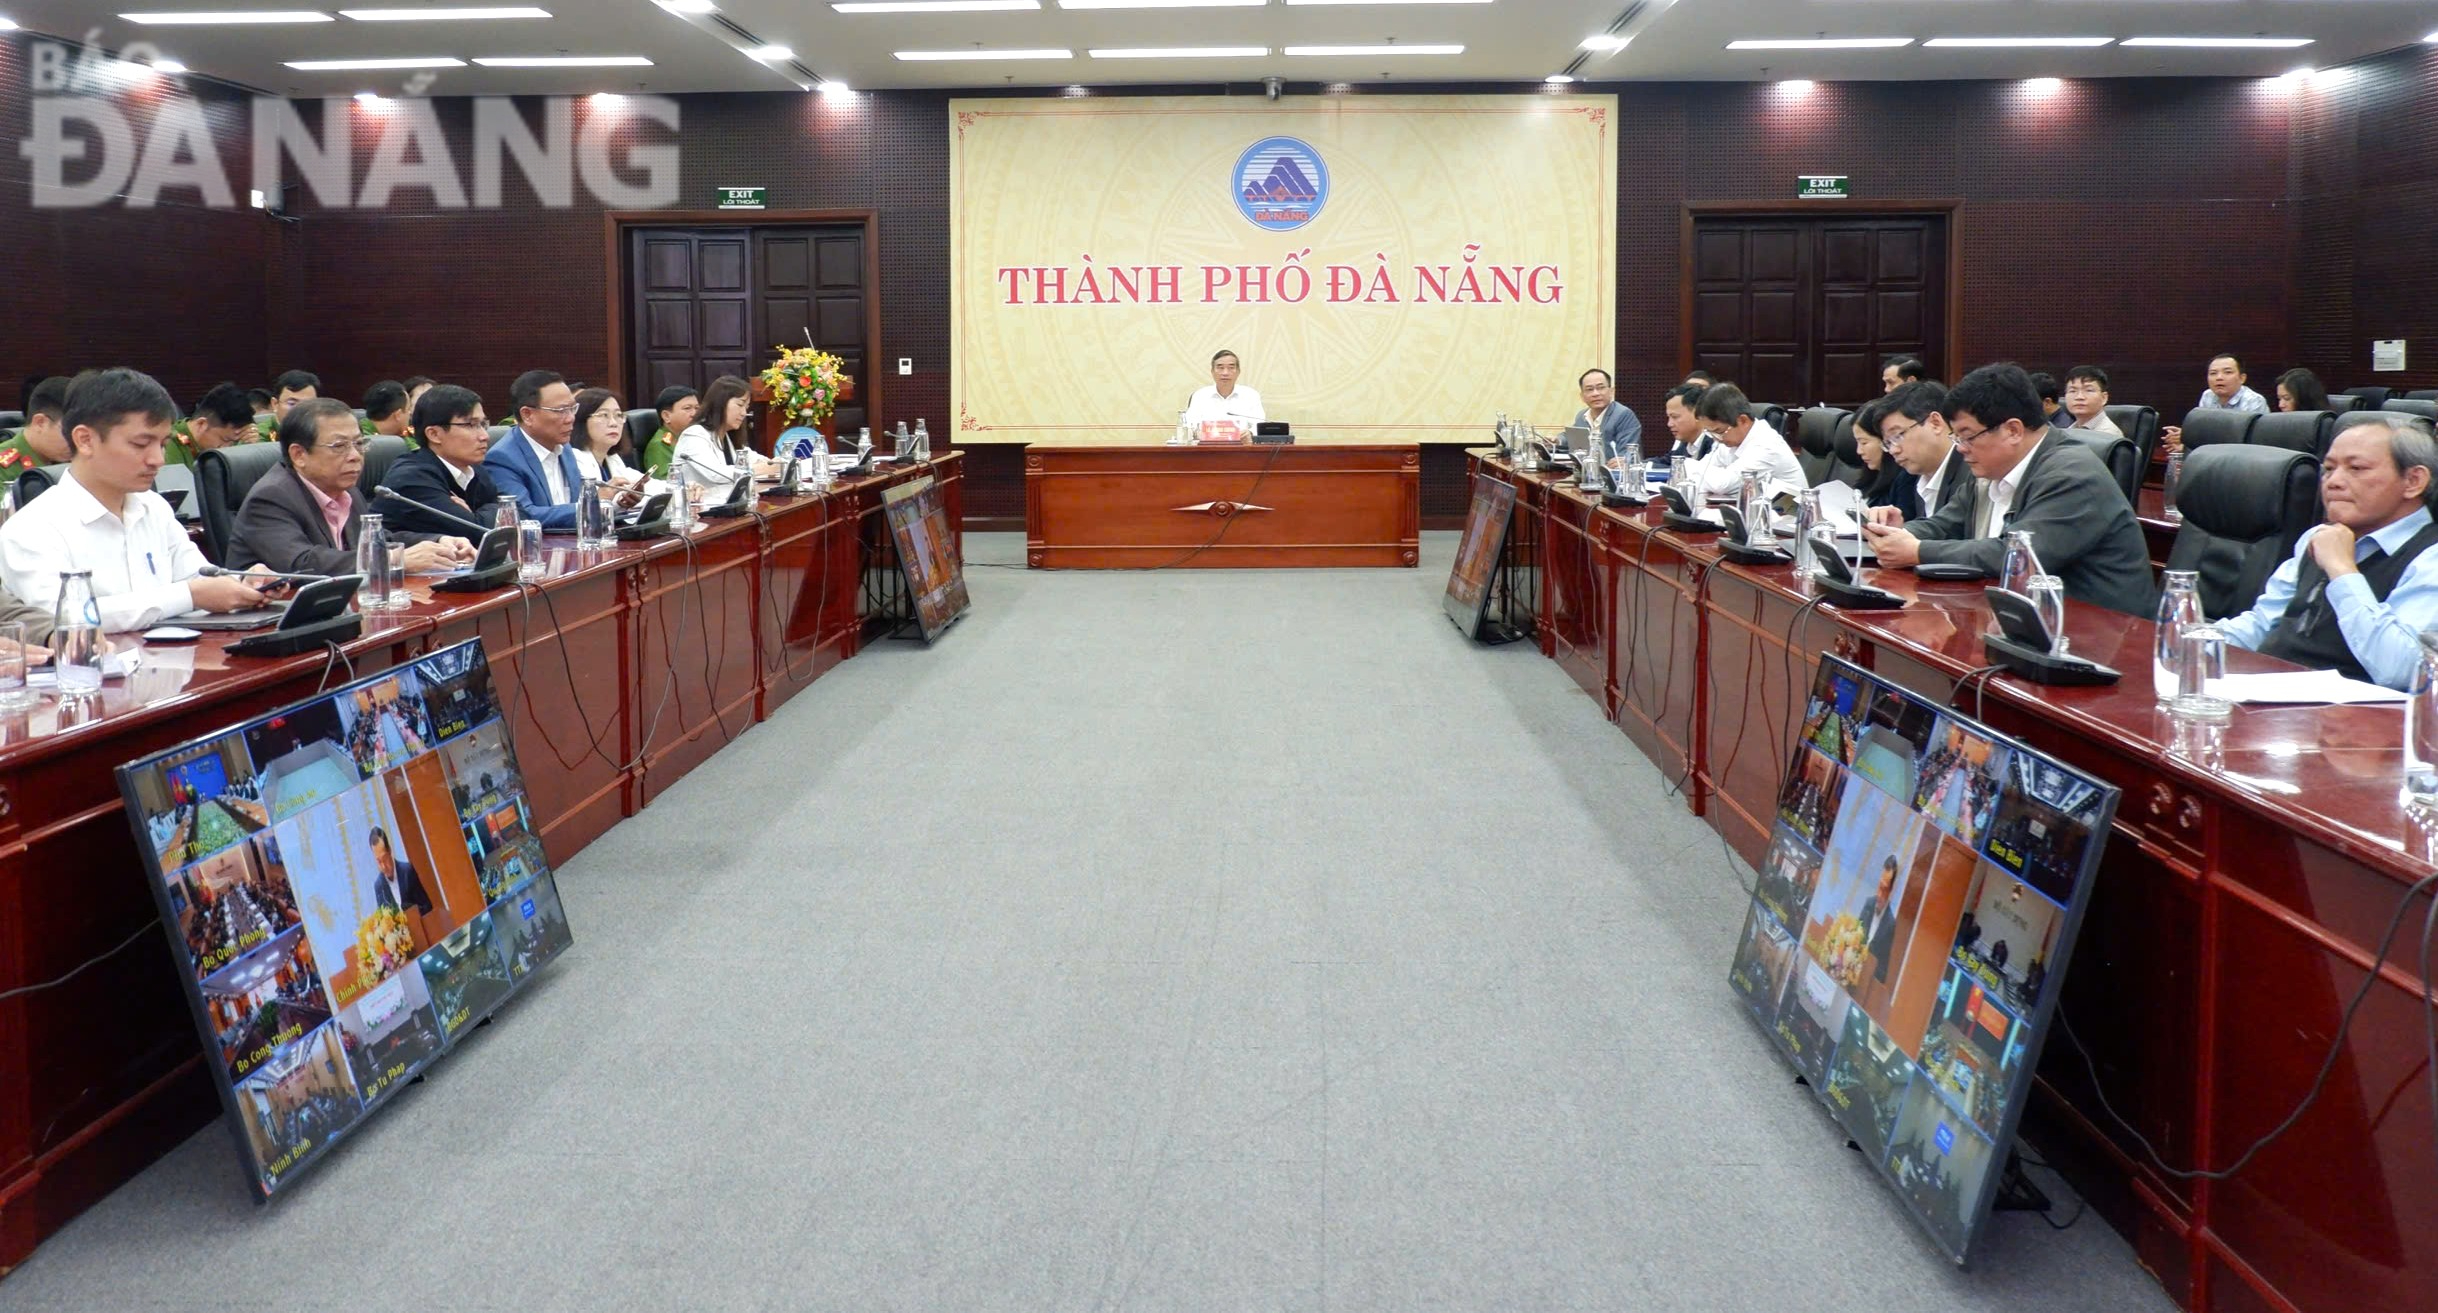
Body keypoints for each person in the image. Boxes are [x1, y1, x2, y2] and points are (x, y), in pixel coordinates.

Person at [1861, 364, 2156, 616]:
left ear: (2013, 430)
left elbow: (2014, 555)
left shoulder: (2072, 473)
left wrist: (1917, 550)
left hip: (2101, 635)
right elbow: (1943, 524)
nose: (1960, 449)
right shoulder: (1990, 470)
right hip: (2025, 622)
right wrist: (1899, 533)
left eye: (1967, 437)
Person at [0, 368, 271, 631]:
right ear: (85, 440)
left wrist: (243, 582)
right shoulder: (32, 528)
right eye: (141, 444)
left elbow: (199, 578)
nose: (158, 460)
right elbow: (63, 618)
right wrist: (188, 596)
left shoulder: (154, 507)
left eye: (163, 444)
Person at [2217, 417, 2438, 690]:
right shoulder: (2317, 537)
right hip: (2271, 698)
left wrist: (2342, 570)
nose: (2333, 482)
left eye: (2356, 468)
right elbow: (2262, 624)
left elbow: (2406, 671)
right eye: (2329, 469)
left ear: (2413, 481)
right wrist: (2195, 640)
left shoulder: (2430, 558)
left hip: (2356, 723)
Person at [225, 398, 469, 577]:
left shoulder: (346, 490)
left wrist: (440, 543)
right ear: (299, 454)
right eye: (339, 446)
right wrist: (396, 559)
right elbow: (302, 563)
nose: (355, 456)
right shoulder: (271, 497)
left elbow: (381, 541)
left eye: (359, 443)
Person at [383, 384, 504, 537]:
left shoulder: (474, 470)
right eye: (471, 425)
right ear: (434, 434)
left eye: (483, 424)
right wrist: (488, 513)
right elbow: (475, 532)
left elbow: (519, 514)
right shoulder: (411, 478)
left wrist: (477, 515)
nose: (484, 436)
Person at [483, 369, 588, 532]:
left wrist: (615, 501)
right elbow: (523, 516)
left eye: (572, 408)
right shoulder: (502, 458)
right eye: (561, 411)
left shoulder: (563, 446)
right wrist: (591, 505)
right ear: (527, 415)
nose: (570, 418)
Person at [1870, 381, 1970, 522]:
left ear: (1935, 423)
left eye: (1898, 436)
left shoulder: (1971, 473)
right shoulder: (1913, 479)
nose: (1893, 450)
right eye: (1888, 443)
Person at [1687, 383, 1806, 501]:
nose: (1716, 438)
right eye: (1710, 433)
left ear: (1743, 420)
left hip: (1788, 516)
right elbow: (1699, 475)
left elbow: (1722, 485)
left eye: (1718, 431)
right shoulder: (1728, 441)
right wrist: (1698, 469)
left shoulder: (1766, 445)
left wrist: (1688, 464)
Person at [671, 374, 778, 494]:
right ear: (720, 403)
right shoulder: (694, 435)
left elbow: (758, 460)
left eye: (746, 407)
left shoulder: (728, 436)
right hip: (698, 508)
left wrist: (776, 464)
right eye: (740, 405)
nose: (744, 413)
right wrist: (755, 469)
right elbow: (715, 474)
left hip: (725, 505)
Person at [569, 387, 648, 507]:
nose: (613, 423)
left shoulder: (612, 458)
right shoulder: (574, 459)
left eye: (618, 415)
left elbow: (647, 484)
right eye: (603, 415)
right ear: (581, 420)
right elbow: (590, 505)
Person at [0, 375, 71, 494]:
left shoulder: (77, 464)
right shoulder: (4, 468)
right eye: (68, 431)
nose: (76, 442)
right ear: (40, 422)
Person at [166, 382, 257, 468]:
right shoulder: (168, 444)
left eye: (234, 442)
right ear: (202, 424)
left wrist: (247, 447)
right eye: (224, 440)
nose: (227, 448)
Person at [1571, 368, 1644, 470]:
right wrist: (1557, 441)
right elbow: (1573, 438)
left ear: (1611, 391)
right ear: (1582, 396)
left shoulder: (1623, 414)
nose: (1595, 393)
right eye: (1589, 389)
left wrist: (1623, 461)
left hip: (1614, 476)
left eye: (1601, 388)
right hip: (1588, 472)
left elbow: (1628, 454)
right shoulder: (1582, 415)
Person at [1183, 349, 1264, 435]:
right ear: (1212, 372)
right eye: (1220, 368)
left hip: (1241, 446)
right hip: (1207, 447)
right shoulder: (1200, 396)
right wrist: (1196, 433)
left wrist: (1249, 433)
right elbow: (1189, 425)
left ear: (1238, 372)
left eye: (1231, 368)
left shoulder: (1251, 395)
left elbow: (1259, 424)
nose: (1225, 373)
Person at [368, 827, 433, 918]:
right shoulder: (379, 886)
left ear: (390, 851)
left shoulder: (407, 871)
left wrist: (412, 911)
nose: (383, 866)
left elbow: (427, 907)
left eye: (385, 859)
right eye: (379, 861)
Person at [1849, 396, 1902, 506]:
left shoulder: (1905, 480)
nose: (1859, 451)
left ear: (1885, 440)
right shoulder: (1871, 475)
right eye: (1857, 442)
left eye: (1864, 442)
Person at [641, 385, 699, 480]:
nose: (695, 414)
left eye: (697, 408)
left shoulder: (692, 438)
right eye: (687, 408)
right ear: (666, 416)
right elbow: (665, 482)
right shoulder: (660, 445)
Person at [257, 369, 319, 441]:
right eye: (292, 403)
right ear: (275, 404)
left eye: (308, 404)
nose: (300, 410)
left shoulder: (322, 432)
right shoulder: (259, 436)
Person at [2060, 366, 2121, 436]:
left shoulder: (2108, 435)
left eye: (2089, 390)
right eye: (2072, 391)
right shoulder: (2067, 431)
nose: (2079, 397)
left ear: (2104, 398)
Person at [1660, 382, 1711, 461]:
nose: (1669, 424)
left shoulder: (1714, 444)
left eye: (1675, 417)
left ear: (1698, 413)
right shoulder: (1685, 443)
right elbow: (1665, 462)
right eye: (1669, 417)